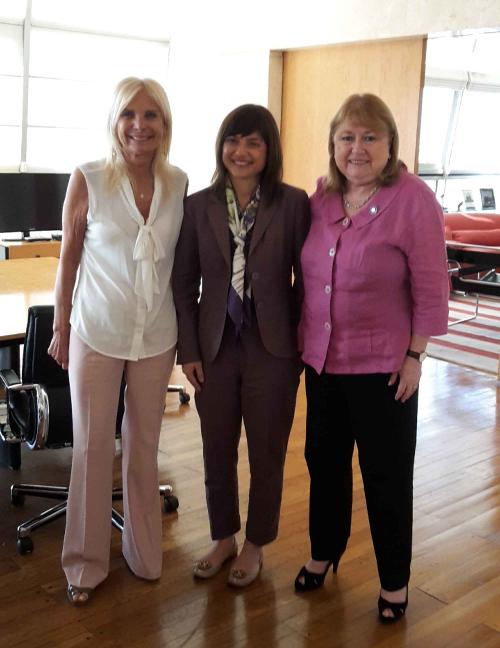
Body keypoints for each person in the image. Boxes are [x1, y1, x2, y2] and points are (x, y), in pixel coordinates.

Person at [294, 93, 449, 623]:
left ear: (389, 145)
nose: (356, 148)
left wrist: (415, 356)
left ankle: (393, 582)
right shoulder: (319, 201)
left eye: (368, 137)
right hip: (323, 364)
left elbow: (432, 289)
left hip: (385, 371)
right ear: (332, 145)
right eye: (346, 137)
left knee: (385, 476)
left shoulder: (413, 200)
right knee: (325, 465)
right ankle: (324, 551)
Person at [48, 77, 188, 605]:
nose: (140, 125)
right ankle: (84, 565)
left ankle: (143, 553)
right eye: (130, 113)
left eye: (152, 115)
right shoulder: (88, 178)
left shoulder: (178, 182)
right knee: (90, 448)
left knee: (144, 449)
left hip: (156, 335)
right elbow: (69, 259)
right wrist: (61, 327)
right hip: (97, 330)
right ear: (115, 119)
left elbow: (180, 263)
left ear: (164, 125)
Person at [172, 104, 310, 587]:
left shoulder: (293, 204)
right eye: (234, 140)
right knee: (216, 448)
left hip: (273, 348)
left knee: (268, 452)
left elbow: (307, 281)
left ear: (268, 149)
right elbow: (184, 283)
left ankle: (255, 543)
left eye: (254, 142)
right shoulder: (199, 205)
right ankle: (223, 536)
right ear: (221, 146)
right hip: (215, 346)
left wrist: (298, 349)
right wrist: (188, 350)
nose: (241, 151)